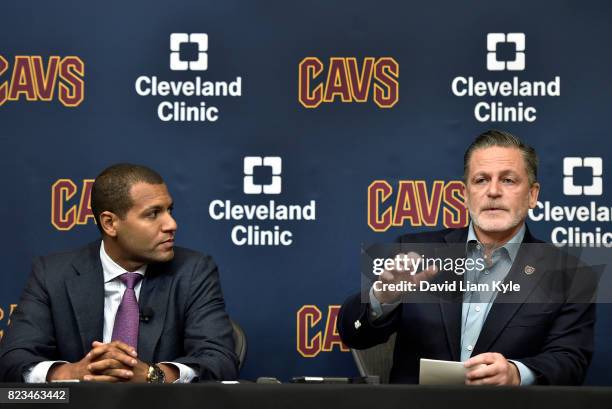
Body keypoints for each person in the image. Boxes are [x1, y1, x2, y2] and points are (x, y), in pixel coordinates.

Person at [338, 130, 596, 385]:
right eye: (481, 180)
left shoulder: (570, 274)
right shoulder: (414, 251)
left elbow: (570, 362)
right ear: (464, 194)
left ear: (532, 195)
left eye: (508, 180)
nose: (493, 191)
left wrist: (516, 374)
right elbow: (354, 335)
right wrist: (381, 299)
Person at [0, 163, 238, 383]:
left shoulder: (194, 271)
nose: (171, 224)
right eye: (153, 214)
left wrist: (152, 375)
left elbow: (220, 360)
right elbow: (13, 359)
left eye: (170, 210)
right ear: (110, 223)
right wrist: (72, 373)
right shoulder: (51, 274)